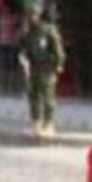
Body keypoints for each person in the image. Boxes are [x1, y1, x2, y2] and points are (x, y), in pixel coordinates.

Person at [18, 8, 65, 140]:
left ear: (38, 16)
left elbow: (57, 49)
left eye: (32, 15)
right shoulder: (29, 32)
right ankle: (36, 123)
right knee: (33, 96)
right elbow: (24, 47)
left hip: (47, 68)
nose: (30, 18)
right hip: (33, 67)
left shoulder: (48, 30)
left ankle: (49, 124)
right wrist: (23, 57)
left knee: (47, 96)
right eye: (28, 16)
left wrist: (59, 64)